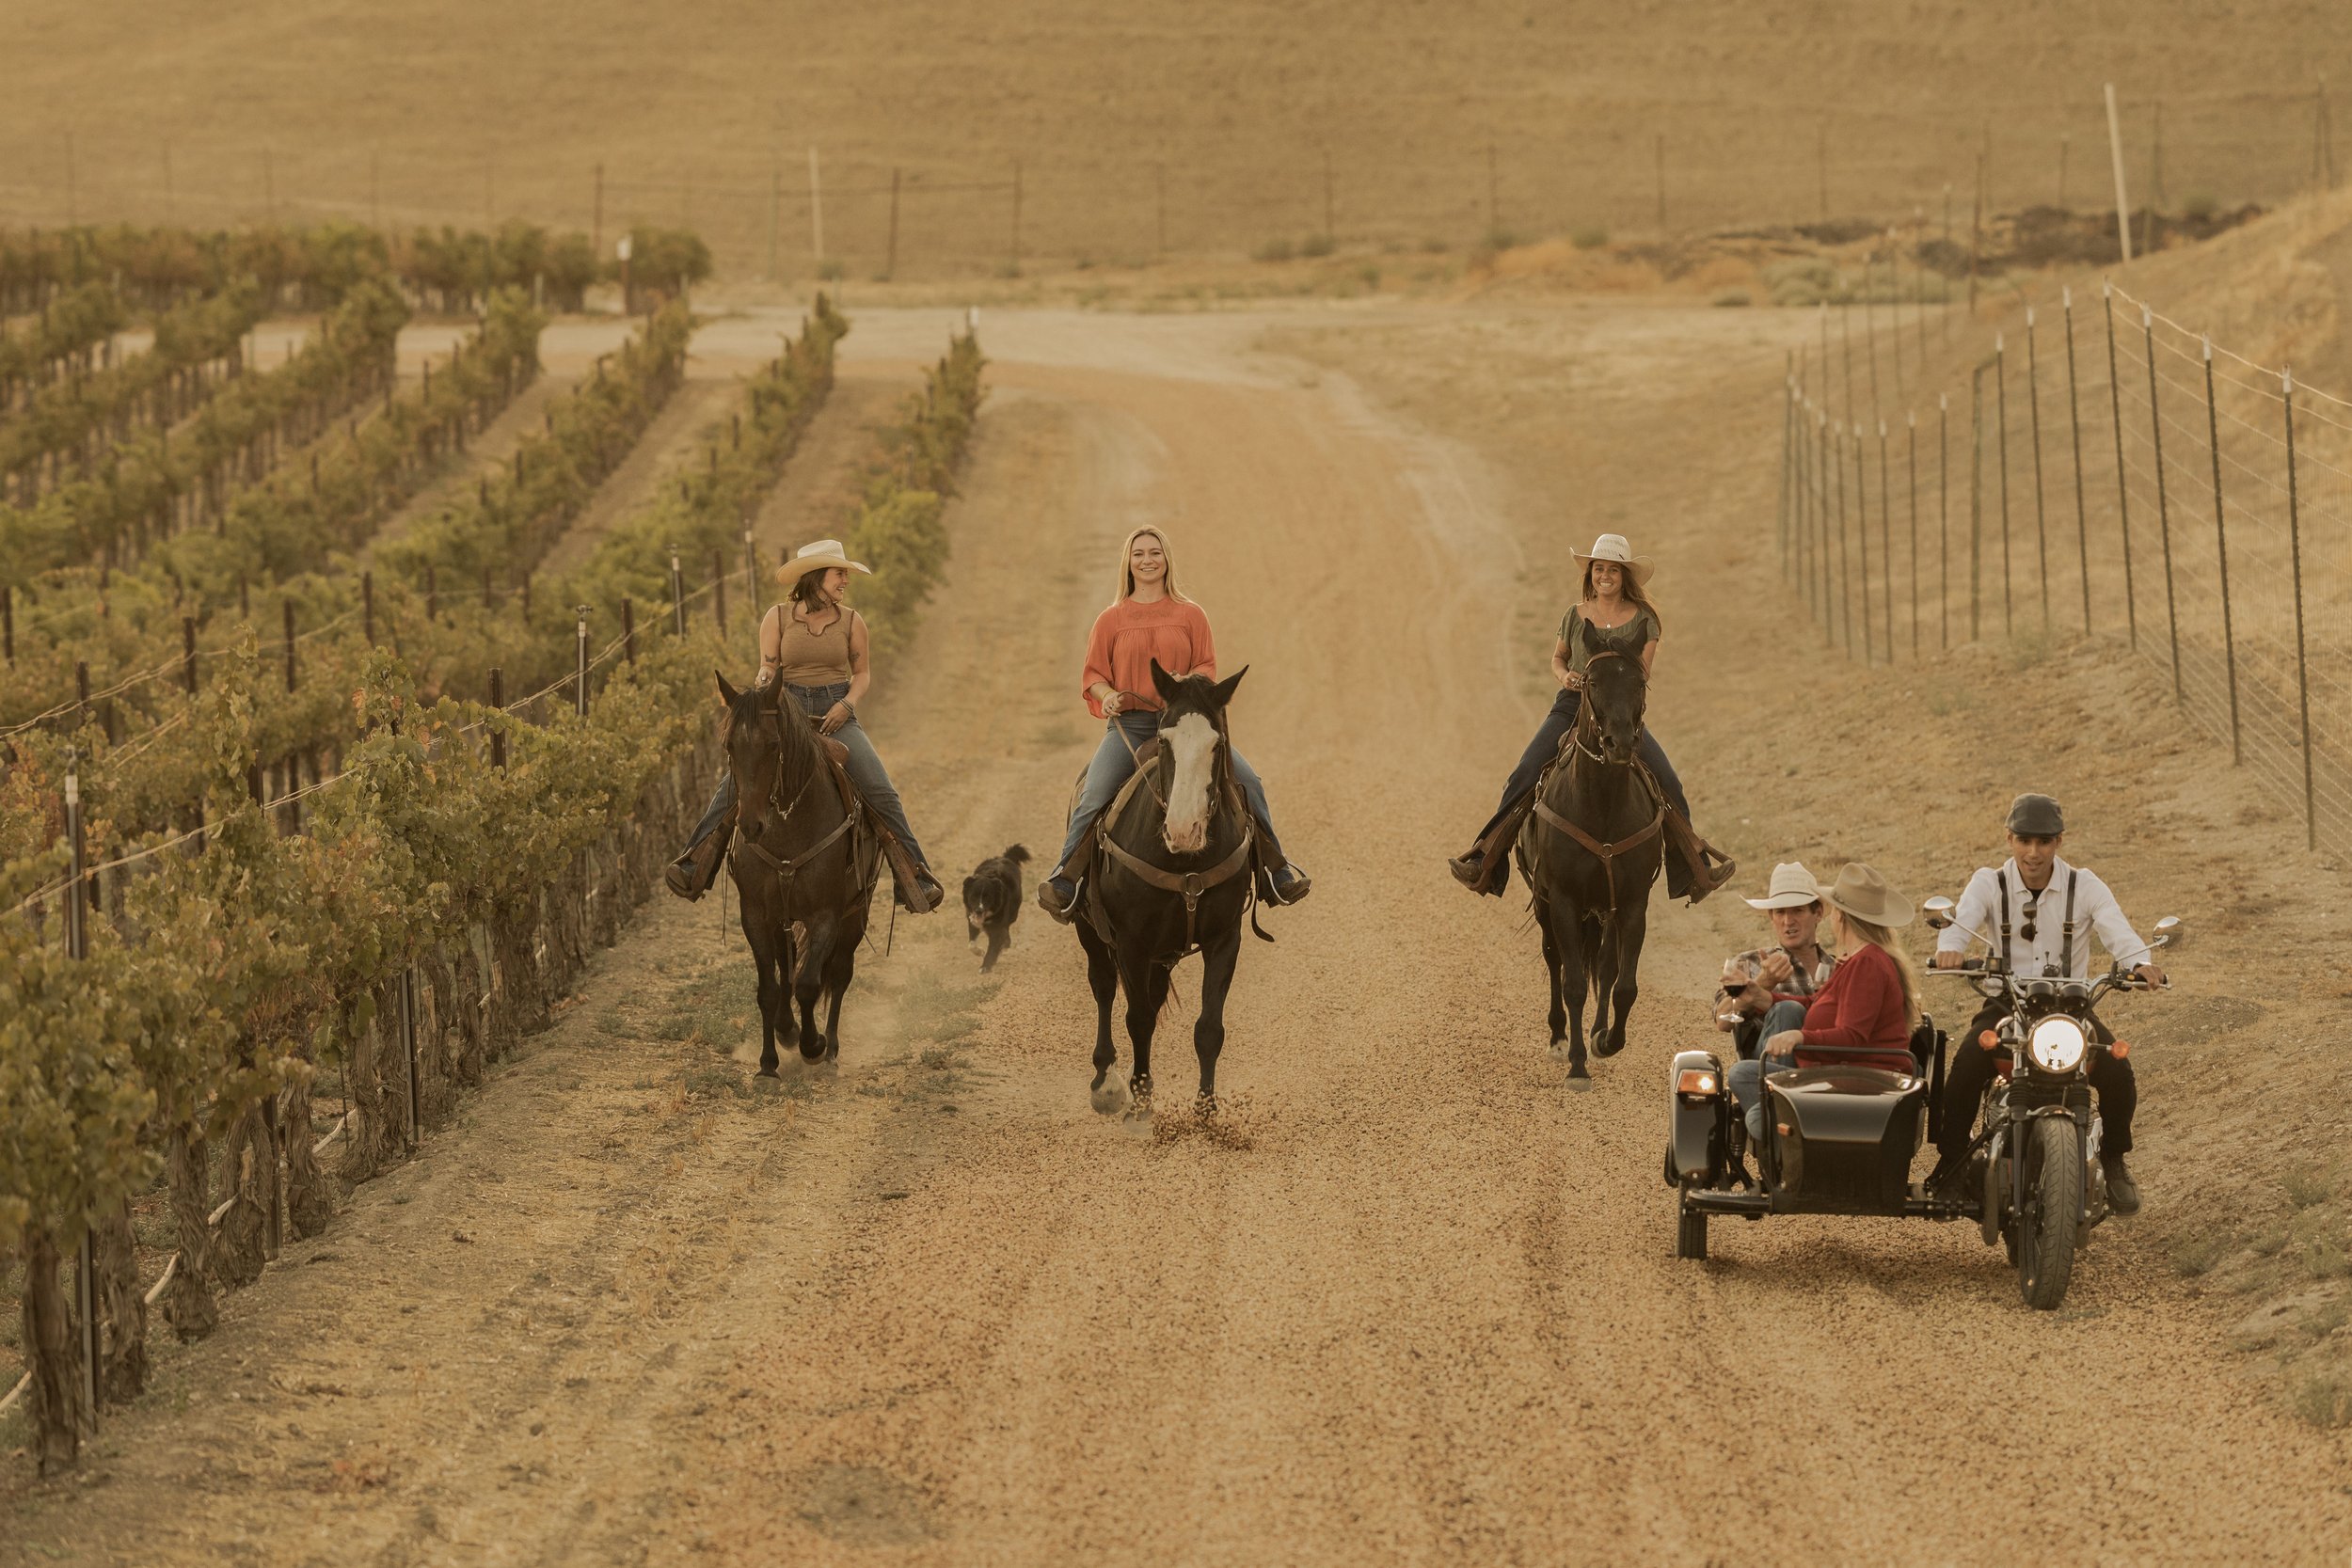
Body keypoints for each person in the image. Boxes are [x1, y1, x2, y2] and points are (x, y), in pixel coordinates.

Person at [1038, 526, 1309, 919]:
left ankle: (1276, 870)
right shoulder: (1110, 619)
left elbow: (1206, 665)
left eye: (1155, 553)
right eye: (1139, 554)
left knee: (1248, 782)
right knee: (1094, 792)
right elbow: (1094, 675)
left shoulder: (1190, 614)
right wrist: (1107, 695)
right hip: (1130, 728)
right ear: (1128, 564)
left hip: (1186, 728)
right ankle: (1067, 878)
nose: (1147, 560)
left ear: (1166, 560)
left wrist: (1186, 684)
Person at [1447, 533, 1735, 902]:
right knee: (1525, 772)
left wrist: (1611, 685)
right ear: (1591, 574)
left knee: (1668, 782)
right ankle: (1486, 860)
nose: (1605, 576)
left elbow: (1641, 675)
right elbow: (1558, 659)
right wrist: (1567, 677)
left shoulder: (1645, 620)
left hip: (1619, 714)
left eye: (1612, 570)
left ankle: (1693, 870)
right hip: (1572, 707)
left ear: (1624, 576)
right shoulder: (1575, 614)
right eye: (1599, 569)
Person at [663, 539, 945, 913]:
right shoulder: (777, 617)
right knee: (738, 782)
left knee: (881, 789)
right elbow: (768, 664)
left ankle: (914, 875)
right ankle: (696, 862)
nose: (845, 579)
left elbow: (861, 674)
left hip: (836, 713)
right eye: (839, 573)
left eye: (845, 573)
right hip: (787, 710)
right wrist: (763, 685)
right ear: (816, 577)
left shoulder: (852, 621)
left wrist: (847, 704)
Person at [1925, 793, 2163, 1215]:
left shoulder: (2084, 884)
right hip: (2006, 1005)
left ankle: (2113, 1159)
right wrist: (1950, 949)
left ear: (2059, 843)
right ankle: (1952, 1162)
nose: (2033, 853)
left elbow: (2117, 930)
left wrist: (2139, 963)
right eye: (2024, 841)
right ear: (2009, 839)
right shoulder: (1988, 882)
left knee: (2117, 1070)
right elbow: (1960, 923)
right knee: (1964, 1068)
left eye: (2044, 842)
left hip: (2070, 1010)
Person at [1727, 862, 1919, 1150]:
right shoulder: (1856, 960)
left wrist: (1800, 1036)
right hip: (1839, 1070)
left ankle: (1786, 1139)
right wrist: (1763, 996)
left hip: (1853, 1076)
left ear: (1839, 916)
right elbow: (1815, 1003)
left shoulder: (1866, 963)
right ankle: (1781, 1122)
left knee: (1755, 1111)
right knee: (1740, 1073)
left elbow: (1852, 1036)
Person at [1715, 862, 1837, 1062]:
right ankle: (1783, 1088)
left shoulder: (1839, 968)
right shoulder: (1750, 962)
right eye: (1780, 912)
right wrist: (1763, 983)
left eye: (1797, 910)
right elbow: (1722, 1021)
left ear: (1818, 914)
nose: (1788, 921)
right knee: (1788, 1009)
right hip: (1768, 1069)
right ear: (1772, 917)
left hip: (1827, 1063)